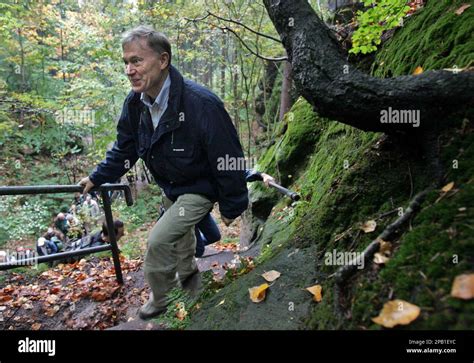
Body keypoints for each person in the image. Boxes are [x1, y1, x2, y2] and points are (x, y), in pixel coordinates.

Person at [79, 26, 248, 319]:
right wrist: (97, 177)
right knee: (181, 239)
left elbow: (228, 155)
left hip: (199, 187)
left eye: (137, 61)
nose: (130, 70)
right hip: (171, 187)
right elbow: (125, 149)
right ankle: (192, 279)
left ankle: (161, 299)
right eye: (126, 63)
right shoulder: (135, 104)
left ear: (163, 60)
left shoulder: (200, 103)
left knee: (158, 240)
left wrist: (233, 204)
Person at [194, 170, 275, 257]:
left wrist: (262, 175)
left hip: (202, 213)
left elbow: (238, 174)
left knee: (214, 236)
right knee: (198, 251)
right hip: (187, 213)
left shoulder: (220, 174)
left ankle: (187, 246)